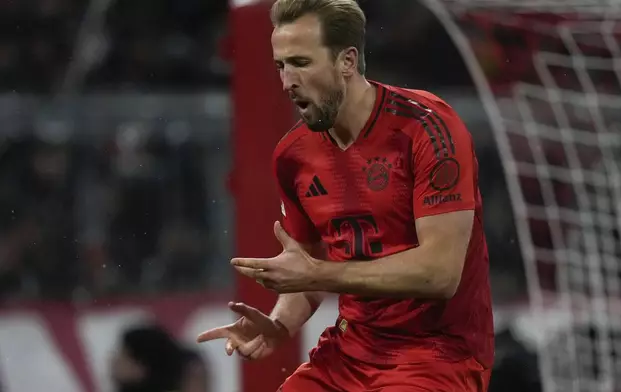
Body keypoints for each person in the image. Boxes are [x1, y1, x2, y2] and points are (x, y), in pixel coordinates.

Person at [197, 0, 494, 391]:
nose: (287, 82)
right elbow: (312, 263)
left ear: (347, 61)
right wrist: (280, 324)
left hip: (438, 355)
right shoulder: (293, 156)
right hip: (350, 352)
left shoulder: (428, 130)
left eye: (301, 63)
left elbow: (440, 273)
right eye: (280, 66)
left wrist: (318, 273)